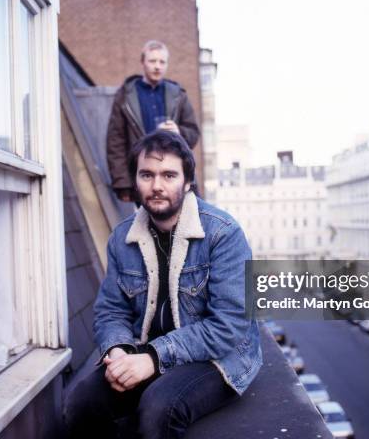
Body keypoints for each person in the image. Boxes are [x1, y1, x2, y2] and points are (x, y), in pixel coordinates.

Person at [65, 130, 262, 438]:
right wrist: (118, 351)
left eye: (169, 175)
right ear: (135, 181)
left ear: (187, 182)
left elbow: (230, 325)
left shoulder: (224, 234)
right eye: (147, 175)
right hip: (146, 350)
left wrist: (153, 359)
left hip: (217, 356)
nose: (157, 186)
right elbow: (111, 310)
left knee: (159, 409)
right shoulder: (122, 237)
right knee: (81, 403)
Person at [106, 40, 200, 203]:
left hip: (174, 175)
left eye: (162, 62)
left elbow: (193, 133)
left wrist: (179, 132)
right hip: (143, 175)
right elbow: (115, 142)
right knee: (146, 225)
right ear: (143, 62)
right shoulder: (125, 96)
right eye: (152, 61)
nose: (157, 66)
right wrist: (123, 184)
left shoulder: (178, 94)